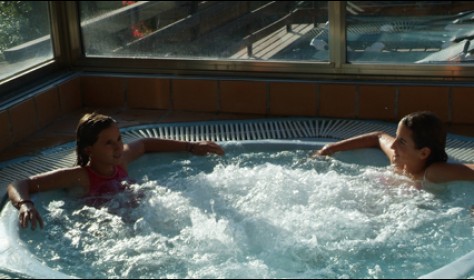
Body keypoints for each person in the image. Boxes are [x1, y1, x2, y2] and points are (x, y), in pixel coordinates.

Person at [7, 112, 225, 230]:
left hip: (142, 219)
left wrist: (191, 146)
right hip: (106, 229)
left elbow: (146, 143)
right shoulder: (80, 176)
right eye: (108, 143)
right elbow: (19, 183)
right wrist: (25, 204)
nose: (118, 146)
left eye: (119, 139)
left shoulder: (121, 161)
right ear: (88, 149)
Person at [311, 111, 474, 186]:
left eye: (402, 141)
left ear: (423, 153)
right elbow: (378, 136)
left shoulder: (432, 173)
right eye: (395, 137)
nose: (393, 145)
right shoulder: (398, 162)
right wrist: (328, 148)